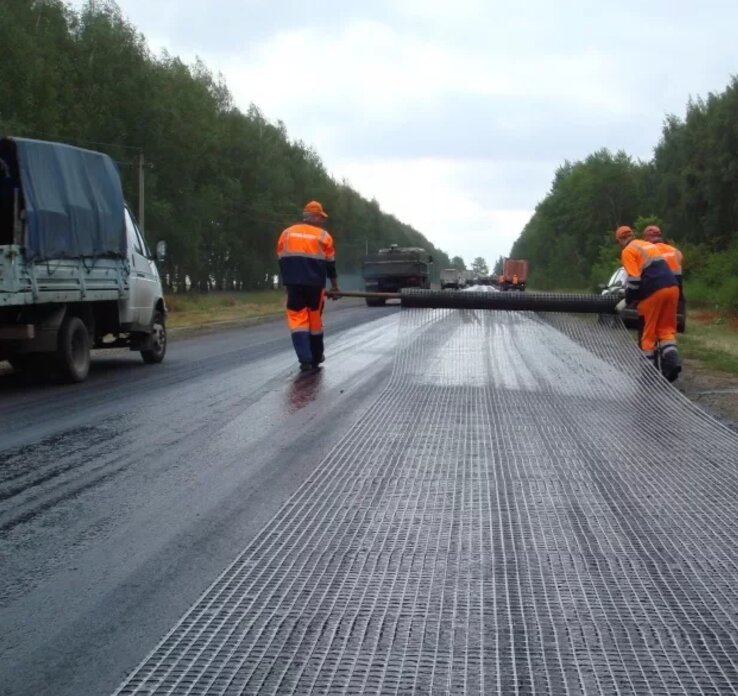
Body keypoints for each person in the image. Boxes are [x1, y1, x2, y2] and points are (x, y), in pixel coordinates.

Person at [277, 200, 340, 372]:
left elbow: (282, 260)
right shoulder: (323, 236)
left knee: (298, 321)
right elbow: (330, 265)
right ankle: (317, 356)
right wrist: (335, 287)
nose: (321, 220)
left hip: (294, 285)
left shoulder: (286, 234)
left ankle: (305, 359)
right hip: (315, 286)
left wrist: (287, 283)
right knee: (314, 321)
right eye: (320, 217)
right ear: (313, 216)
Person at [615, 225, 681, 381]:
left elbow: (634, 280)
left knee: (648, 333)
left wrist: (629, 299)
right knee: (666, 329)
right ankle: (672, 361)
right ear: (632, 235)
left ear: (619, 240)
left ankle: (648, 376)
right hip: (672, 288)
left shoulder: (628, 251)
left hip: (653, 293)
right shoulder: (648, 246)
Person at [643, 224, 684, 327]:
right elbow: (679, 275)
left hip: (654, 292)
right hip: (674, 292)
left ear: (647, 237)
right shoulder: (676, 252)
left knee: (650, 326)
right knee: (666, 329)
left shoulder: (646, 251)